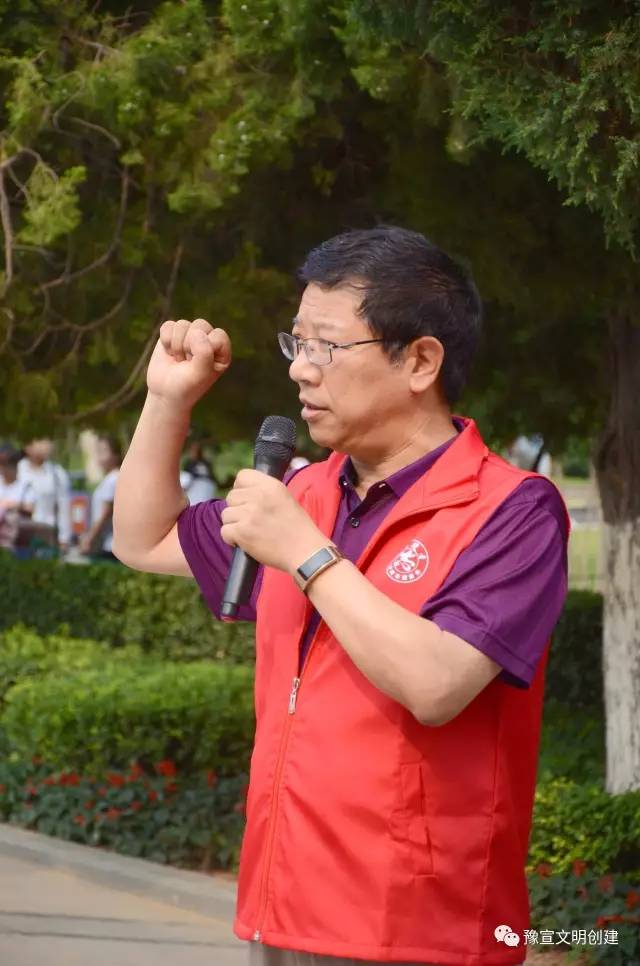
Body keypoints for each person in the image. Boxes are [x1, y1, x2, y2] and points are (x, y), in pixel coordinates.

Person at [112, 226, 569, 966]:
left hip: (416, 931)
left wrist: (305, 553)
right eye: (297, 343)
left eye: (326, 346)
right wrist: (166, 400)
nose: (301, 370)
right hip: (283, 910)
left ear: (419, 361)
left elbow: (437, 682)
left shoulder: (512, 509)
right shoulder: (305, 495)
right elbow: (143, 539)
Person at [17, 438, 72, 553]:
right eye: (41, 441)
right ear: (28, 447)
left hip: (46, 536)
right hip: (19, 535)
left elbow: (64, 508)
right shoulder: (17, 470)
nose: (48, 445)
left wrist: (64, 539)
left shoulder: (57, 473)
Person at [78, 436, 121, 560]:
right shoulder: (109, 479)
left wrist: (90, 537)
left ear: (115, 455)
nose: (100, 457)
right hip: (105, 542)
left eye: (104, 451)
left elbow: (105, 513)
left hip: (109, 543)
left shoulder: (113, 479)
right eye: (98, 451)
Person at [0, 444, 35, 552]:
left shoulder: (25, 485)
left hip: (16, 539)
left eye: (7, 463)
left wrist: (10, 505)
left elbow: (30, 508)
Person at [180, 435, 217, 504]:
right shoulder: (206, 462)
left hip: (199, 488)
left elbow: (185, 480)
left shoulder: (191, 463)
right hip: (207, 488)